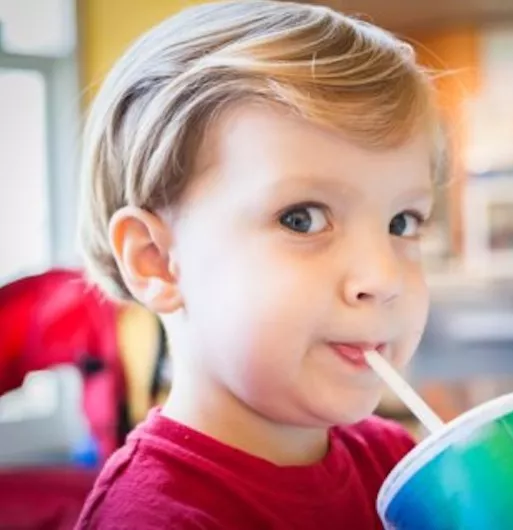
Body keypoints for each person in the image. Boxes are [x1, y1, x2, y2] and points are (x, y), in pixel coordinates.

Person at [75, 0, 445, 528]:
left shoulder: (398, 467)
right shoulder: (154, 519)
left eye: (402, 223)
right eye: (302, 219)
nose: (384, 278)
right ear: (157, 261)